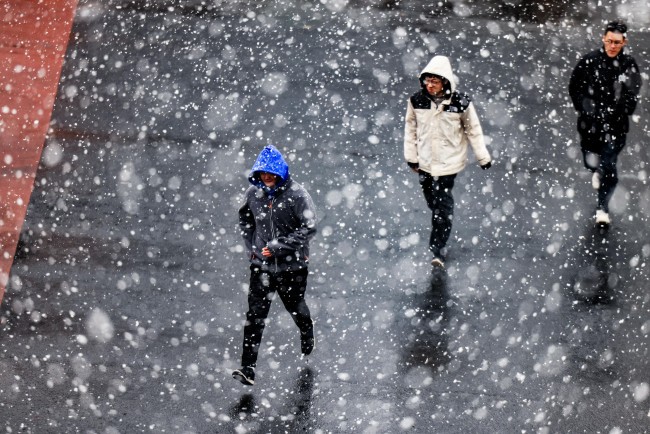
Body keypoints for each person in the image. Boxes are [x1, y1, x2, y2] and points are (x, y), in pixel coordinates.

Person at [233, 145, 317, 386]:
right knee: (255, 316)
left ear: (281, 172)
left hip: (293, 267)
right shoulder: (253, 193)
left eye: (271, 173)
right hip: (262, 267)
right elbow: (245, 219)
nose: (266, 178)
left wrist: (280, 247)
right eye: (262, 174)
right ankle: (248, 368)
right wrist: (252, 249)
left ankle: (306, 328)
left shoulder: (298, 195)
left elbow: (309, 228)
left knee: (295, 307)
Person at [403, 55, 492, 268]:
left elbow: (473, 129)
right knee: (431, 200)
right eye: (427, 81)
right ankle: (441, 216)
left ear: (445, 81)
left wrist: (483, 156)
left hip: (448, 163)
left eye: (435, 81)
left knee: (442, 207)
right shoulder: (417, 101)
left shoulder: (460, 103)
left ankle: (438, 249)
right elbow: (410, 129)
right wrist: (411, 157)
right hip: (424, 162)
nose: (430, 85)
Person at [569, 20, 642, 225]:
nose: (612, 46)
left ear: (624, 42)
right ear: (603, 38)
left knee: (609, 165)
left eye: (617, 43)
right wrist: (585, 110)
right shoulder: (589, 61)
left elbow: (633, 91)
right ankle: (596, 171)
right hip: (590, 127)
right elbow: (575, 86)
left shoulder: (628, 65)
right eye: (610, 41)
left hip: (616, 127)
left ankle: (603, 209)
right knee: (590, 160)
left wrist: (623, 110)